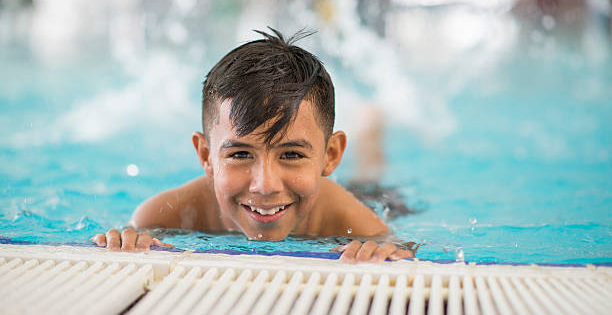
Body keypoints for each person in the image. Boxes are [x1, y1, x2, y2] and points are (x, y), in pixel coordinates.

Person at [92, 28, 417, 263]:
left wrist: (385, 251)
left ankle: (371, 127)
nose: (264, 185)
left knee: (371, 180)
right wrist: (126, 240)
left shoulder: (351, 221)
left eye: (291, 154)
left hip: (359, 197)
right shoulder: (162, 217)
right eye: (240, 154)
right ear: (206, 155)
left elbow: (403, 250)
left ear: (330, 155)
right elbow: (125, 241)